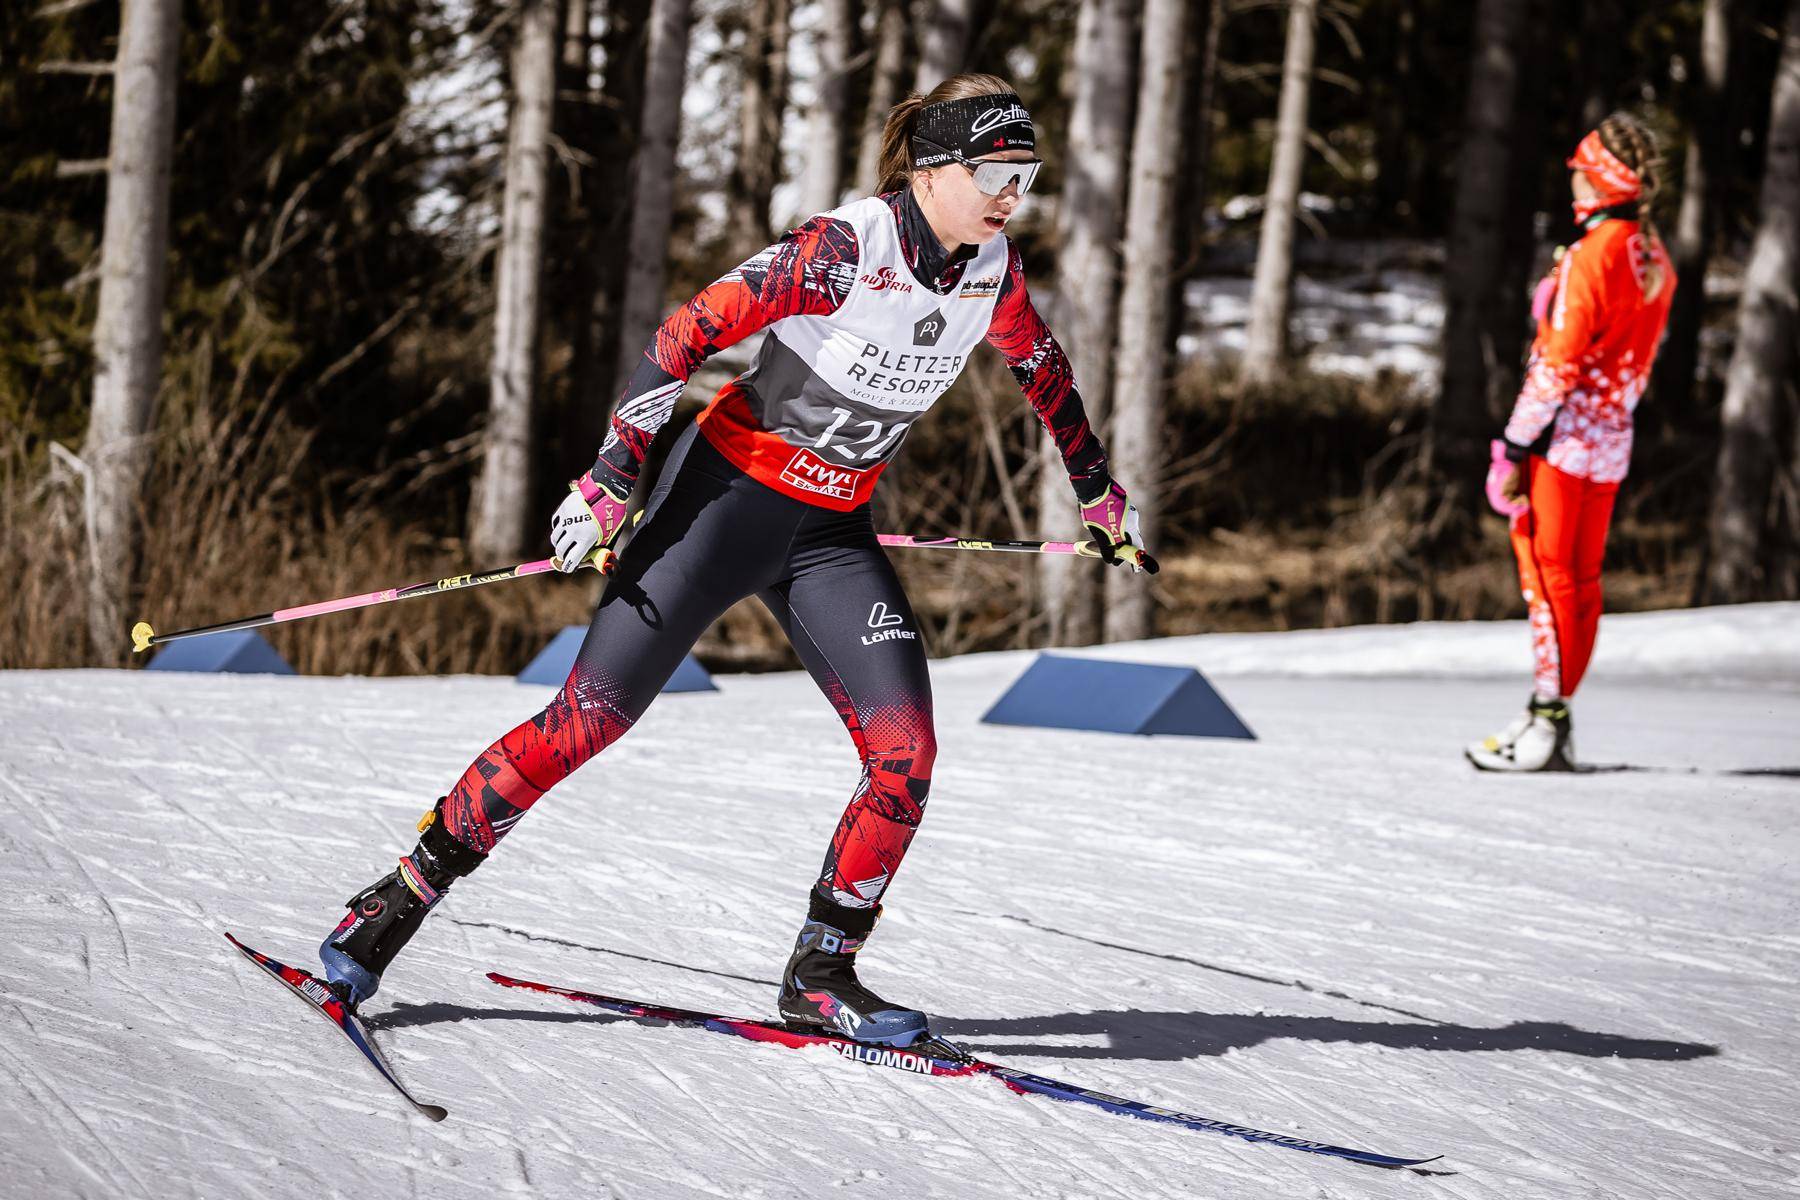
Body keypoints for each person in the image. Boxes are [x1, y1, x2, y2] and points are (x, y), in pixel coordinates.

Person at [316, 74, 1154, 1047]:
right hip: (717, 507)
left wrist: (1097, 491)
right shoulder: (842, 252)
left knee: (906, 754)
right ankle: (390, 905)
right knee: (587, 720)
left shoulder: (992, 273)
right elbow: (683, 335)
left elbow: (1044, 371)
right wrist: (610, 478)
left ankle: (822, 974)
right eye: (995, 173)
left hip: (829, 535)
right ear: (931, 172)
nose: (1012, 194)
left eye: (1026, 176)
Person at [1467, 112, 1675, 772]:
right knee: (1580, 583)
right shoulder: (1653, 256)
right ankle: (1549, 713)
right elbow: (1639, 362)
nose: (1573, 186)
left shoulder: (1594, 254)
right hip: (1610, 439)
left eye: (1581, 174)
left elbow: (1556, 365)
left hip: (1560, 441)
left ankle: (1547, 722)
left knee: (1546, 578)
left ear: (1604, 182)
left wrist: (1514, 445)